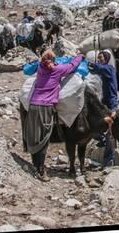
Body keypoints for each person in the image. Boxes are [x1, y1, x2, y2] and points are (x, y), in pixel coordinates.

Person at [21, 49, 83, 180]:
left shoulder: (40, 67)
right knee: (44, 137)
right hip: (46, 107)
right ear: (54, 60)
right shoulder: (57, 70)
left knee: (35, 135)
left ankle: (36, 165)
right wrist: (79, 56)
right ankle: (41, 171)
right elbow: (72, 66)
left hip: (33, 105)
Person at [88, 50, 118, 167]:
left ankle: (109, 160)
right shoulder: (103, 70)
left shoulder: (109, 68)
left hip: (112, 104)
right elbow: (94, 70)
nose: (100, 60)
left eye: (101, 58)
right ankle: (102, 139)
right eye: (99, 58)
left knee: (110, 131)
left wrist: (88, 63)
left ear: (106, 59)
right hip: (104, 103)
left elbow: (97, 68)